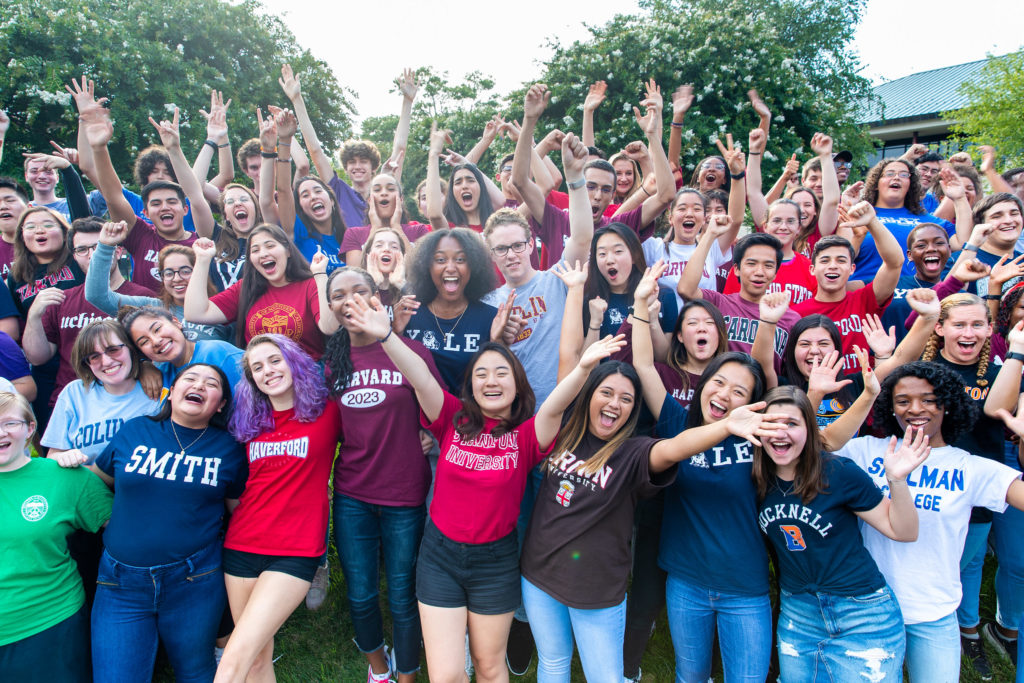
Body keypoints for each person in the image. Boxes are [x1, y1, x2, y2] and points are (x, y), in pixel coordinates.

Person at [348, 288, 624, 683]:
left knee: (490, 668)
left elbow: (555, 406)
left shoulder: (529, 436)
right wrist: (387, 336)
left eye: (501, 373)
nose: (490, 381)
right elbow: (420, 377)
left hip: (494, 564)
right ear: (471, 386)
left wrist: (583, 368)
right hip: (439, 557)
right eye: (481, 373)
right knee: (446, 676)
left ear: (517, 385)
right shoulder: (452, 417)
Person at [838, 361, 1024, 681]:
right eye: (902, 401)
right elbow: (810, 453)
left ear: (947, 404)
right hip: (869, 611)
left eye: (928, 399)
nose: (915, 409)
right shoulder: (864, 451)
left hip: (933, 612)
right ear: (889, 407)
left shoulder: (969, 467)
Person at [82, 363, 244, 682]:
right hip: (120, 585)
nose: (199, 385)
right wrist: (61, 464)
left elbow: (240, 513)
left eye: (211, 383)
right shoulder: (136, 430)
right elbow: (94, 482)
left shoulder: (230, 450)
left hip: (194, 582)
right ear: (172, 392)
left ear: (220, 404)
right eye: (190, 378)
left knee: (196, 671)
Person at [752, 385, 922, 682]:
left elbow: (903, 530)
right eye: (771, 424)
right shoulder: (755, 481)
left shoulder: (839, 472)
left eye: (791, 424)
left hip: (862, 614)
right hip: (798, 614)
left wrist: (896, 480)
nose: (780, 433)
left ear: (810, 428)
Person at [322, 267, 442, 683]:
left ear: (379, 298)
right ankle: (379, 670)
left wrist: (427, 432)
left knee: (403, 596)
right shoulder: (332, 363)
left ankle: (406, 675)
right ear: (331, 307)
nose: (350, 299)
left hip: (405, 493)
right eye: (339, 295)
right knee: (360, 594)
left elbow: (438, 409)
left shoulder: (407, 350)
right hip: (353, 493)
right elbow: (325, 429)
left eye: (360, 290)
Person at [215, 335, 340, 683]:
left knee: (234, 656)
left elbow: (372, 430)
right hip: (241, 545)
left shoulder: (327, 410)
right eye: (257, 367)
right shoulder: (249, 423)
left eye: (274, 360)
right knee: (255, 659)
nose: (268, 371)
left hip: (295, 549)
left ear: (293, 361)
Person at [0, 391, 112, 683]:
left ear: (30, 429)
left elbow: (126, 530)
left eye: (10, 423)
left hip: (48, 623)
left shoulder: (64, 477)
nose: (1, 433)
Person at [512, 81, 675, 265]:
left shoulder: (618, 225)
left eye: (606, 189)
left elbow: (666, 195)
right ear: (578, 185)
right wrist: (529, 120)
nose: (597, 195)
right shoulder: (557, 220)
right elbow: (520, 181)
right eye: (590, 186)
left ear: (613, 194)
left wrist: (652, 134)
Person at [80, 99, 199, 292]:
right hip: (145, 317)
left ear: (185, 208)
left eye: (171, 201)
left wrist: (175, 149)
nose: (165, 207)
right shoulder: (141, 236)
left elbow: (198, 196)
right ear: (145, 212)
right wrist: (99, 148)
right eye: (156, 203)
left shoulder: (200, 244)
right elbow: (113, 196)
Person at [185, 224, 335, 359]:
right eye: (255, 250)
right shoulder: (245, 288)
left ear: (288, 251)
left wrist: (320, 275)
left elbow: (329, 327)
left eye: (270, 246)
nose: (263, 254)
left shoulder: (309, 285)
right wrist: (202, 260)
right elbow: (195, 313)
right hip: (262, 377)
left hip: (307, 376)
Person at [792, 201, 906, 373]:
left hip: (862, 391)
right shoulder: (795, 313)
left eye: (841, 260)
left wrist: (873, 223)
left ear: (852, 269)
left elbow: (895, 263)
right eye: (825, 260)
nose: (833, 266)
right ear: (812, 269)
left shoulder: (865, 300)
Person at [400, 227, 511, 393]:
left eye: (460, 260)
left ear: (473, 267)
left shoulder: (491, 318)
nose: (450, 267)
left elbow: (498, 380)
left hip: (471, 415)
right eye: (440, 260)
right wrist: (395, 333)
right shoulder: (409, 314)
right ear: (426, 267)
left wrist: (498, 341)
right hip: (418, 416)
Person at [85, 221, 233, 343]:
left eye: (185, 271)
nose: (177, 278)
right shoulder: (152, 308)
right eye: (168, 273)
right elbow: (97, 296)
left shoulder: (219, 309)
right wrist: (105, 246)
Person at [678, 226, 800, 371]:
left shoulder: (790, 319)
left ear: (775, 273)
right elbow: (686, 289)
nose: (759, 272)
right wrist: (710, 234)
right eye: (751, 263)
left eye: (768, 265)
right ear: (736, 269)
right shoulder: (718, 303)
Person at [118, 305, 243, 392]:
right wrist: (143, 366)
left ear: (176, 322)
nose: (156, 341)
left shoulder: (216, 352)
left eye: (157, 329)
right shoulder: (162, 372)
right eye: (144, 341)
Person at [340, 173, 431, 266]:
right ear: (369, 200)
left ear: (401, 199)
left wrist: (396, 227)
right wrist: (375, 229)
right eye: (377, 190)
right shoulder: (353, 234)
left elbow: (420, 270)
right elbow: (356, 274)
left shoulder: (419, 231)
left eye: (391, 189)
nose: (384, 193)